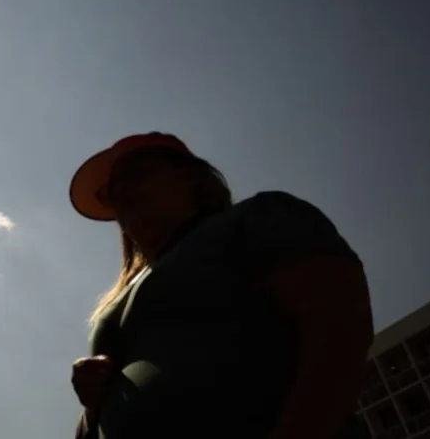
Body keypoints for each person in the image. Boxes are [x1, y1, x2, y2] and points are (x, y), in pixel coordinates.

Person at [69, 133, 374, 439]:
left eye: (136, 174)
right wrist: (92, 407)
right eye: (111, 191)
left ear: (190, 176)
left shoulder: (255, 218)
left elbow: (339, 326)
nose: (121, 190)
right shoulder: (119, 299)